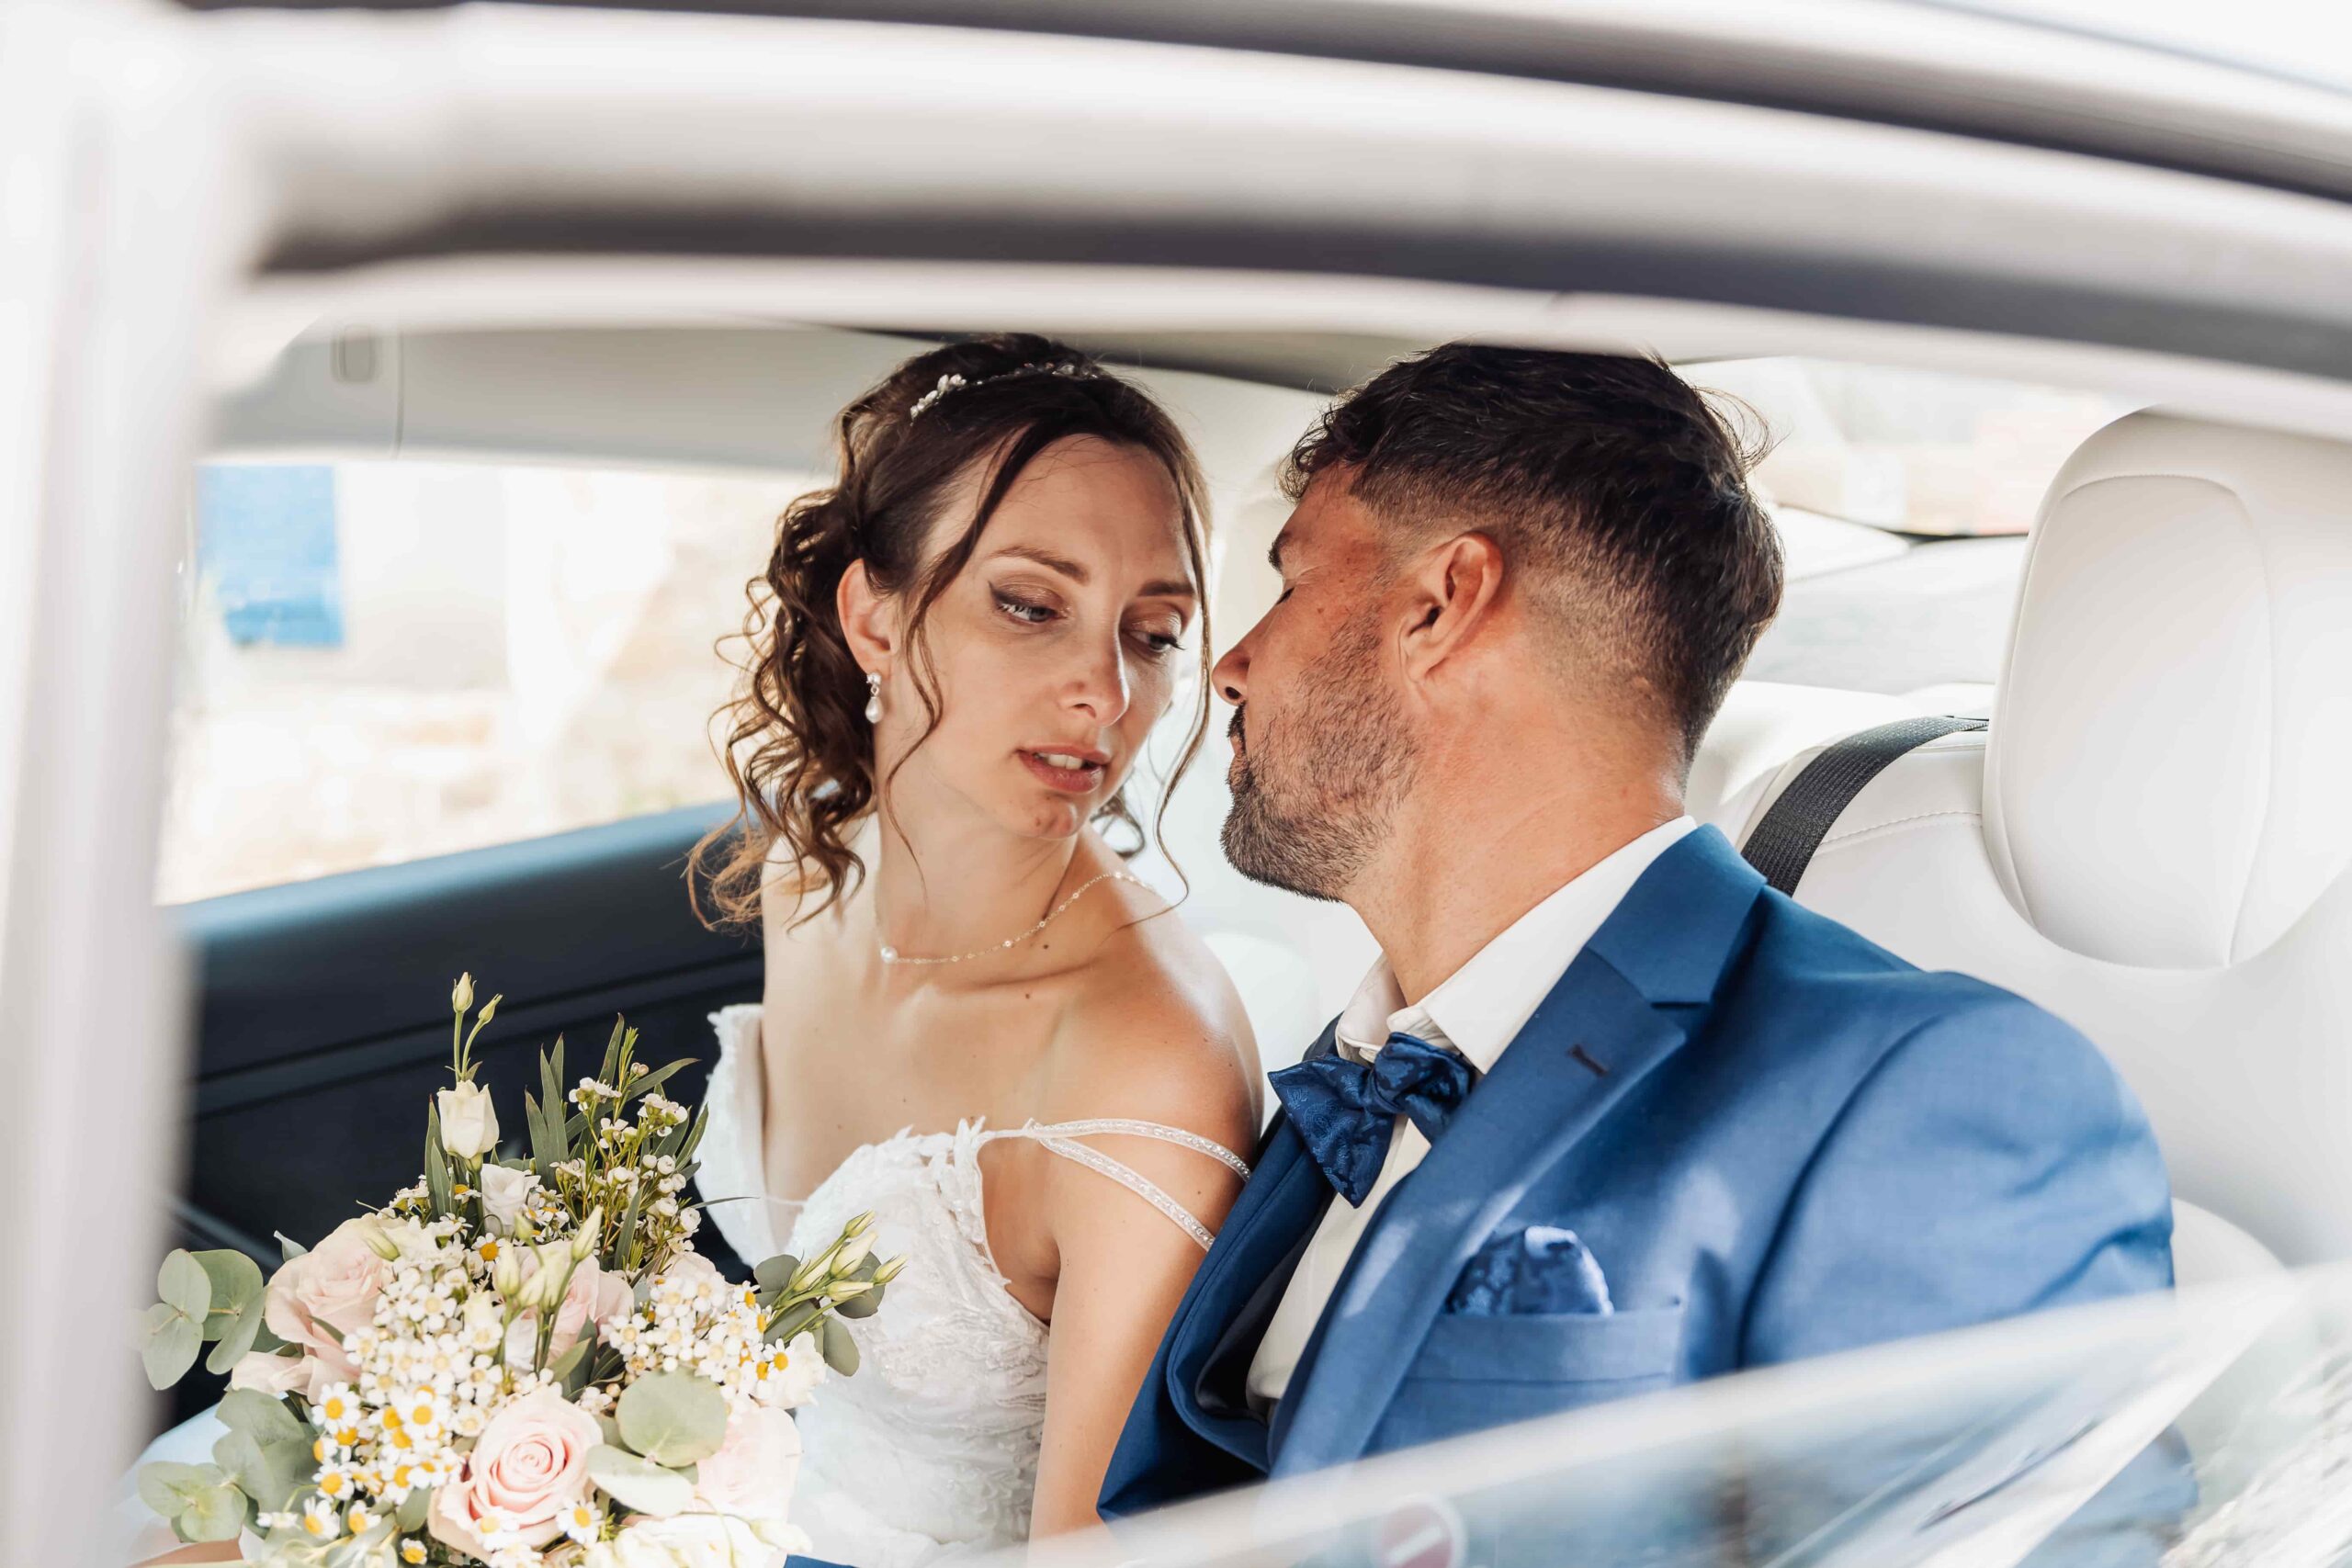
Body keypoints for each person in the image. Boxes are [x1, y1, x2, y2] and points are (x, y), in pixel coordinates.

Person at [1099, 344, 2176, 1525]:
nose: (1235, 662)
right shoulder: (1361, 1064)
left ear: (1441, 603)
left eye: (1292, 583)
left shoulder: (1930, 1094)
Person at [686, 334, 1260, 1567]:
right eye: (1030, 605)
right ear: (875, 613)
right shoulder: (814, 878)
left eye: (1152, 632)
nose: (1104, 691)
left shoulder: (1141, 1066)